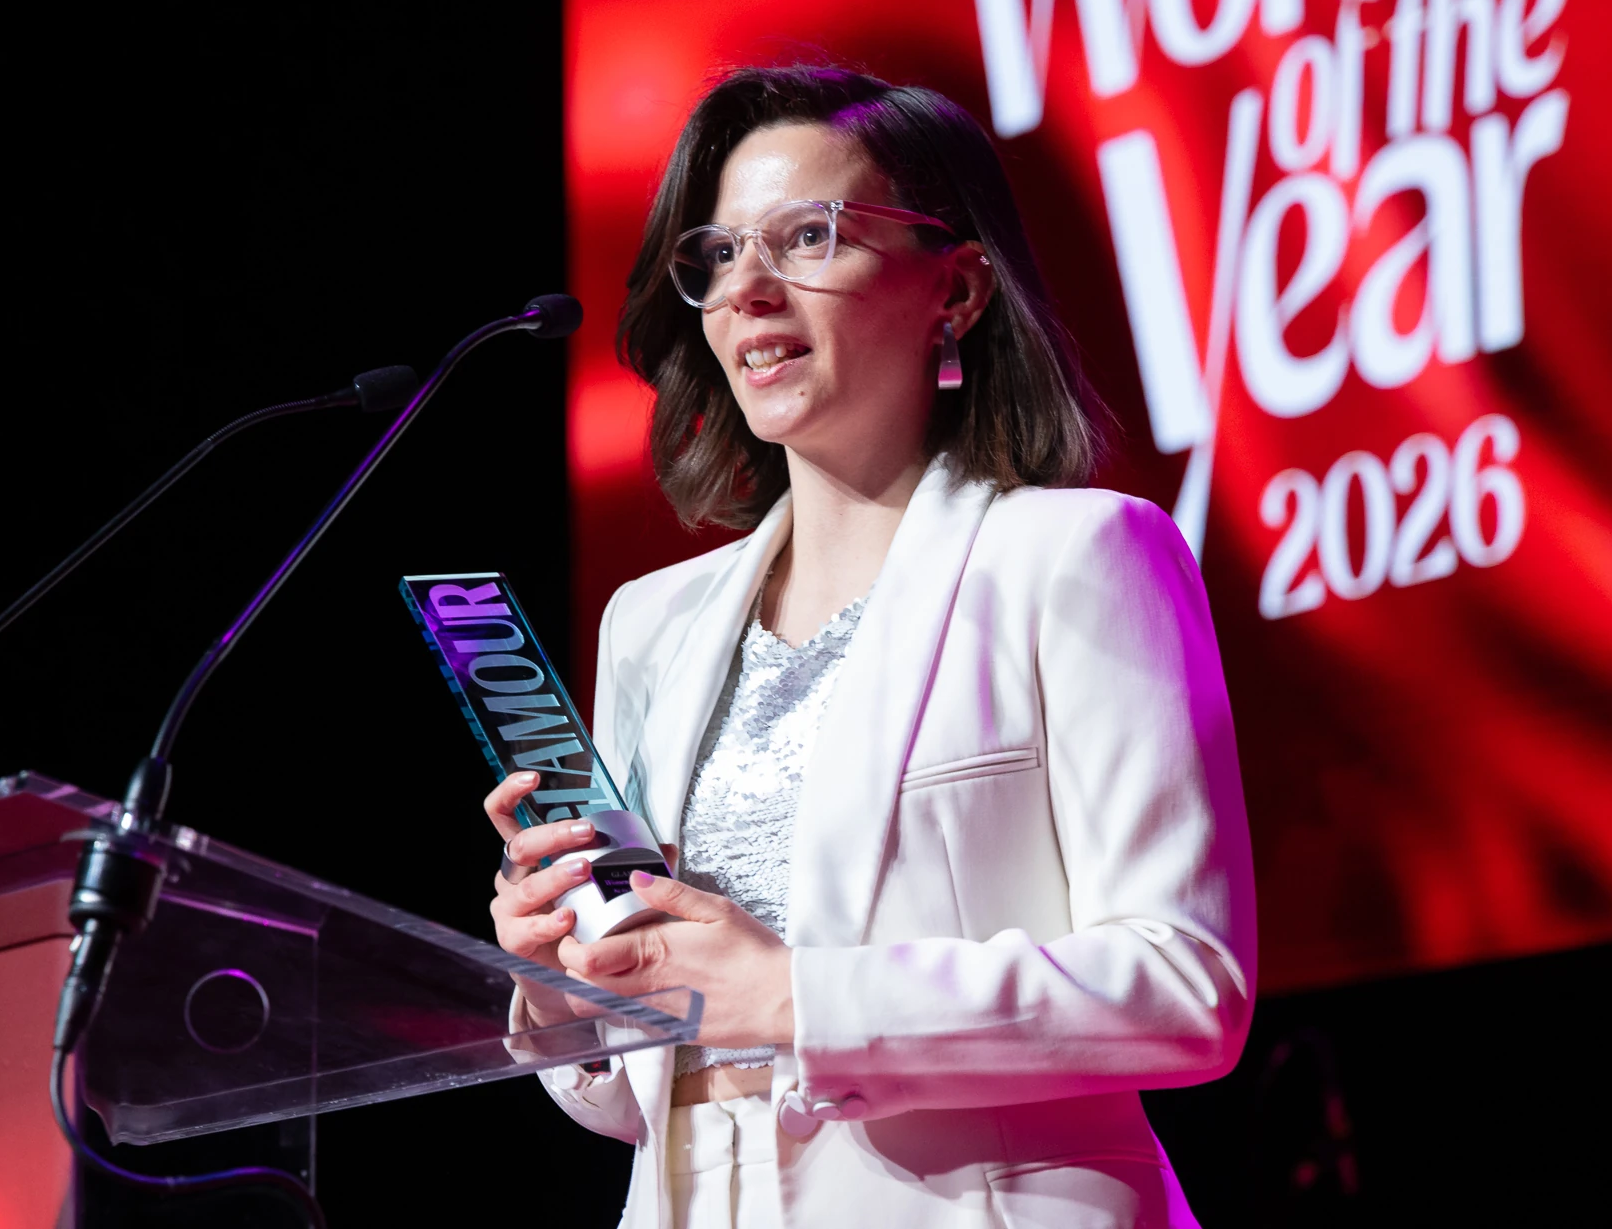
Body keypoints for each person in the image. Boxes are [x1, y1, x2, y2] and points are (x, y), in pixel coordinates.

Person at [486, 65, 1254, 1229]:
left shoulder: (1078, 556)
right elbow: (644, 1097)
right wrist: (562, 984)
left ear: (955, 288)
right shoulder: (651, 624)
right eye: (721, 253)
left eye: (807, 237)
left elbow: (1186, 985)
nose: (748, 290)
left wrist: (799, 997)